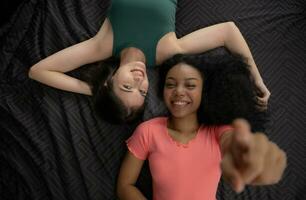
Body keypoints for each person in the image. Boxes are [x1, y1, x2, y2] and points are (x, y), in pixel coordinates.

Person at [28, 0, 270, 123]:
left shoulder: (103, 44)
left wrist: (92, 90)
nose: (139, 81)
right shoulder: (167, 51)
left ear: (108, 82)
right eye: (142, 93)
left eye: (126, 86)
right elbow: (228, 31)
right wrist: (257, 79)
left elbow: (38, 71)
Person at [116, 54, 286, 200]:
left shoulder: (217, 131)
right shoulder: (148, 131)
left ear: (204, 92)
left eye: (190, 85)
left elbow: (231, 142)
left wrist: (245, 151)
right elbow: (125, 185)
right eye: (170, 84)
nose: (179, 91)